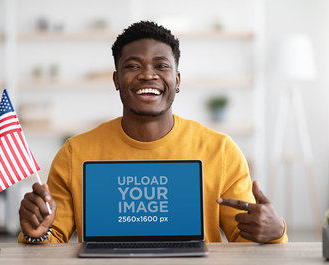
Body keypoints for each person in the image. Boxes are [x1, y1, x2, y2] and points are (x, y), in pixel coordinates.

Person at [18, 21, 288, 244]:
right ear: (116, 80)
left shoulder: (221, 150)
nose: (148, 75)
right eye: (133, 66)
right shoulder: (74, 153)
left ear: (177, 80)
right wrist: (34, 234)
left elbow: (248, 240)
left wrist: (275, 232)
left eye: (161, 66)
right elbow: (50, 238)